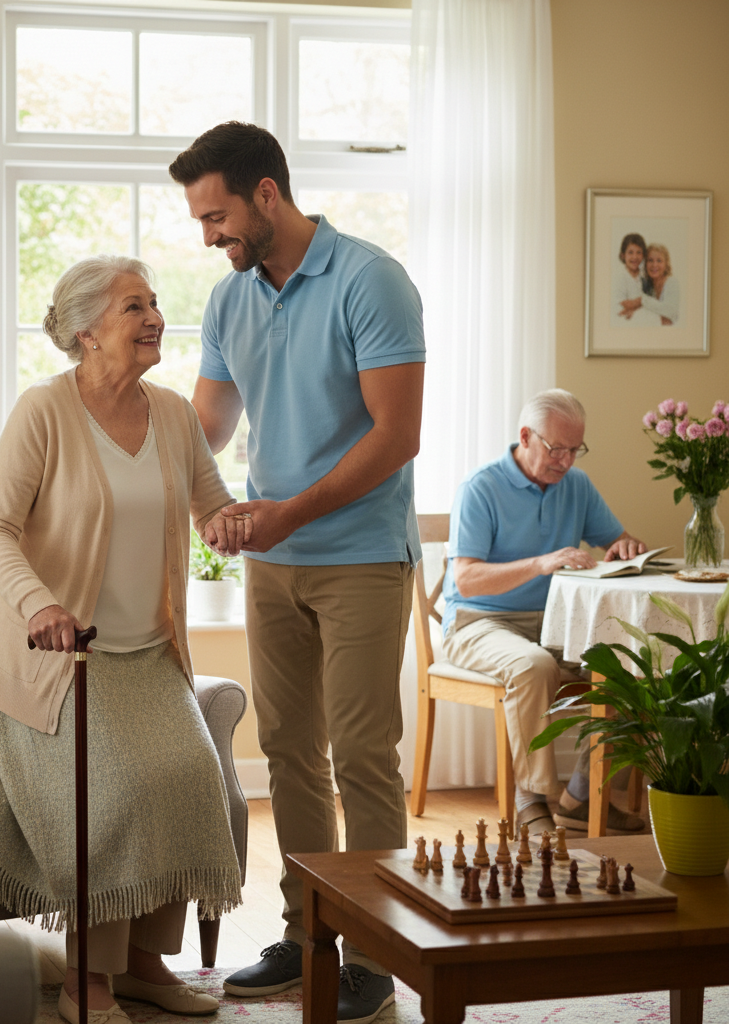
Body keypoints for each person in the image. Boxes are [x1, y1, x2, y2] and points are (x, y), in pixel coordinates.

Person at [169, 122, 425, 1024]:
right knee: (286, 755)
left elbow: (397, 436)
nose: (209, 236)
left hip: (357, 555)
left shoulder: (370, 279)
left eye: (217, 216)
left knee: (362, 755)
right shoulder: (231, 299)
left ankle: (377, 952)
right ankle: (309, 930)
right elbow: (206, 427)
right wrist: (165, 480)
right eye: (202, 221)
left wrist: (285, 514)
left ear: (266, 196)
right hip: (271, 562)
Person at [0, 255, 245, 1024]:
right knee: (117, 790)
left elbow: (210, 503)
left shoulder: (173, 413)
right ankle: (84, 979)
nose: (155, 316)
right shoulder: (44, 411)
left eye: (154, 302)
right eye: (135, 306)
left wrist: (228, 525)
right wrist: (37, 603)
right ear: (88, 332)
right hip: (58, 665)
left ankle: (146, 964)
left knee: (191, 777)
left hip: (149, 654)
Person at [441, 389, 648, 836]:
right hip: (478, 623)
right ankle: (531, 798)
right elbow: (467, 580)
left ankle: (582, 796)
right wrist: (542, 562)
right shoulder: (481, 488)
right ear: (525, 437)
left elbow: (617, 542)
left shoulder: (577, 486)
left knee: (628, 667)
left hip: (556, 624)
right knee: (532, 666)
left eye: (576, 450)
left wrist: (623, 547)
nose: (567, 462)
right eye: (557, 449)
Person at [620, 243, 679, 326]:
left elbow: (671, 313)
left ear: (666, 264)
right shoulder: (646, 285)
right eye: (650, 260)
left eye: (659, 261)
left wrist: (641, 301)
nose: (654, 265)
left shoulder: (672, 283)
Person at [612, 232, 646, 324]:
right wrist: (647, 301)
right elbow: (626, 304)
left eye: (639, 252)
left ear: (643, 255)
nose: (635, 257)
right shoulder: (619, 277)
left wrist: (634, 307)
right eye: (630, 252)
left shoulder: (645, 275)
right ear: (623, 255)